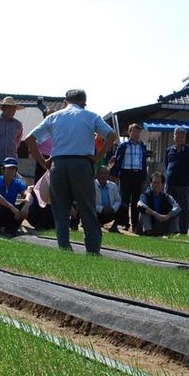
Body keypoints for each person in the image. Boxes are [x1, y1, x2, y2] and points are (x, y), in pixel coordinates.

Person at [24, 88, 118, 254]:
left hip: (58, 165)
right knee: (87, 208)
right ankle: (93, 250)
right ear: (84, 102)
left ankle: (64, 248)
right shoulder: (91, 116)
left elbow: (30, 139)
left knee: (60, 209)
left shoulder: (54, 117)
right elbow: (111, 135)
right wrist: (98, 157)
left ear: (65, 102)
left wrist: (44, 162)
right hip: (82, 164)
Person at [110, 123, 149, 233]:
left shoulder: (142, 146)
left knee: (136, 201)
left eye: (138, 132)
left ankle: (135, 224)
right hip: (125, 174)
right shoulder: (123, 146)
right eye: (134, 131)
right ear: (129, 132)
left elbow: (143, 162)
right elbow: (117, 160)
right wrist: (114, 174)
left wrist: (144, 176)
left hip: (138, 175)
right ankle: (124, 223)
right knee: (124, 200)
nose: (136, 134)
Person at [164, 126, 189, 234]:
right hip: (170, 184)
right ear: (174, 137)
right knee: (170, 206)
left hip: (183, 185)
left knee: (183, 208)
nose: (180, 139)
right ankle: (170, 229)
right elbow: (167, 165)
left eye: (182, 136)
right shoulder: (169, 150)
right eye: (178, 136)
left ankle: (183, 230)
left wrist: (185, 175)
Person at [0, 157, 29, 235]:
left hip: (10, 214)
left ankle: (11, 229)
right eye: (8, 168)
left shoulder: (18, 183)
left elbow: (28, 194)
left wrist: (26, 206)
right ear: (3, 169)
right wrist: (11, 207)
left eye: (13, 169)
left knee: (24, 203)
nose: (11, 171)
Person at [0, 96, 23, 178]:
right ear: (3, 108)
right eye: (9, 108)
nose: (12, 111)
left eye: (14, 109)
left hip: (11, 162)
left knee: (11, 187)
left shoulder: (18, 125)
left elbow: (17, 142)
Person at [138, 172, 181, 236]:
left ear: (163, 185)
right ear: (150, 184)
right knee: (143, 212)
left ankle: (174, 234)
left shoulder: (167, 197)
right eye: (154, 182)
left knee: (175, 213)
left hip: (162, 222)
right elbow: (140, 205)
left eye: (158, 183)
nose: (156, 185)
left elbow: (177, 207)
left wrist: (168, 215)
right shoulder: (145, 195)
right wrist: (156, 214)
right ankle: (148, 232)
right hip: (150, 223)